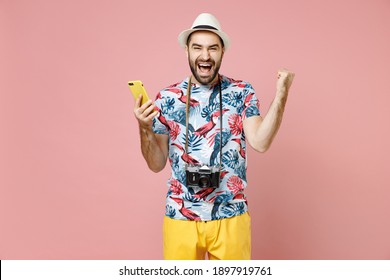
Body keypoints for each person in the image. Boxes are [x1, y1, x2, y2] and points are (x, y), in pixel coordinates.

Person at [133, 13, 294, 260]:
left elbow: (260, 142)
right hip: (180, 216)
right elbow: (156, 164)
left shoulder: (242, 92)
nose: (205, 56)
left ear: (222, 52)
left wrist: (282, 93)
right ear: (187, 51)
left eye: (213, 48)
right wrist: (144, 128)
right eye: (197, 47)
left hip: (231, 216)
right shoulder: (167, 98)